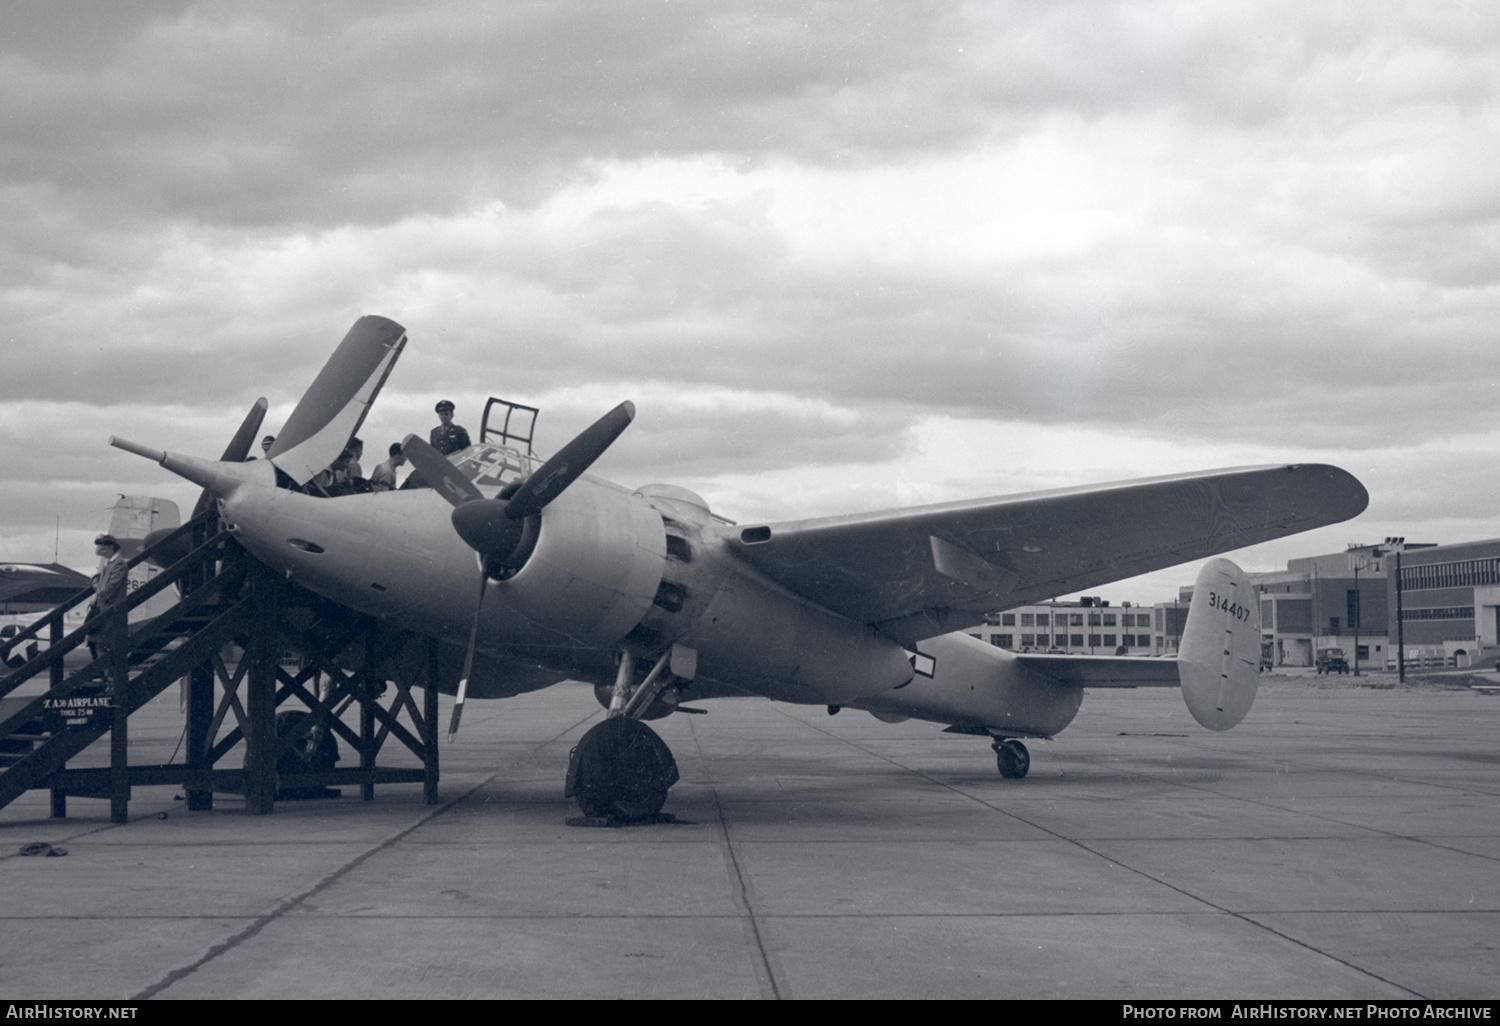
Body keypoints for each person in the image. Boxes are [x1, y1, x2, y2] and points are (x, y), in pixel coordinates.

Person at [86, 534, 129, 678]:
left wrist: (99, 595)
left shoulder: (119, 563)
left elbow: (113, 584)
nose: (102, 553)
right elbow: (105, 582)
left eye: (103, 550)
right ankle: (106, 674)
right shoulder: (109, 562)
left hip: (109, 608)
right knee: (97, 641)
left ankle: (109, 675)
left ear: (111, 547)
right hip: (103, 607)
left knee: (101, 642)